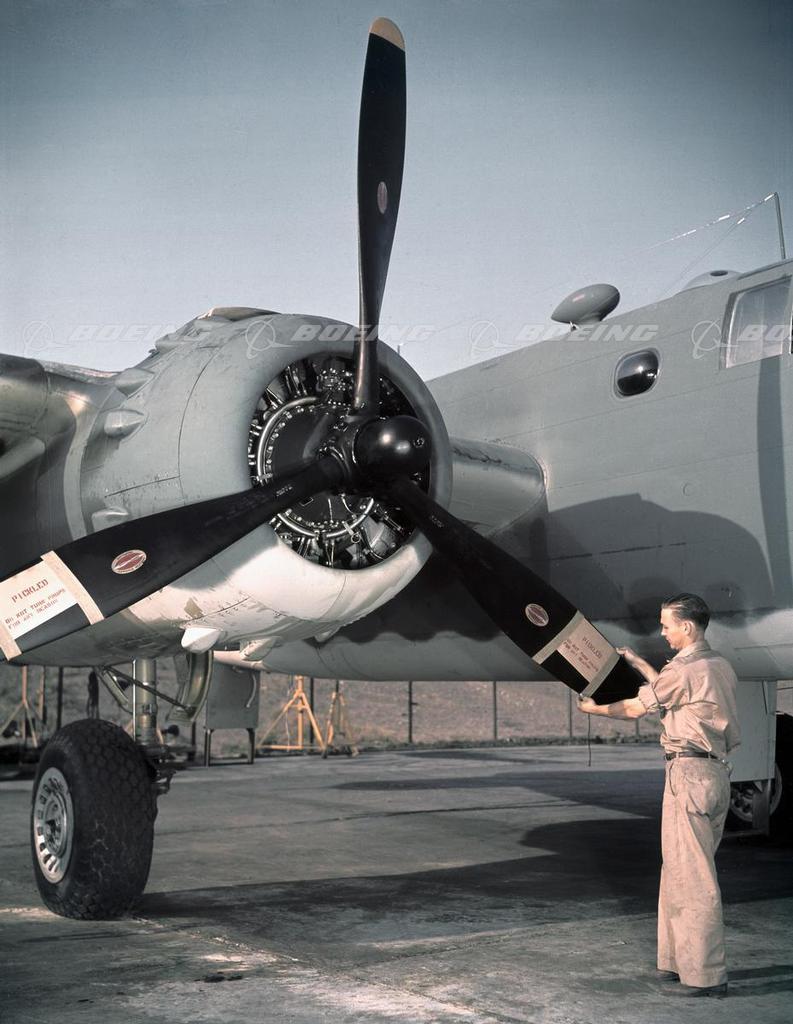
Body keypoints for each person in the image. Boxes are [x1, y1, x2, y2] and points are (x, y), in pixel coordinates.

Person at [577, 593, 740, 998]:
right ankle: (676, 962)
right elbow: (671, 693)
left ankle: (706, 976)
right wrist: (638, 663)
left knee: (693, 879)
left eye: (667, 625)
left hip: (688, 774)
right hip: (715, 774)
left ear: (687, 626)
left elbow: (637, 708)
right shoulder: (718, 666)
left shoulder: (684, 670)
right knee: (678, 871)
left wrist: (594, 710)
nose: (663, 632)